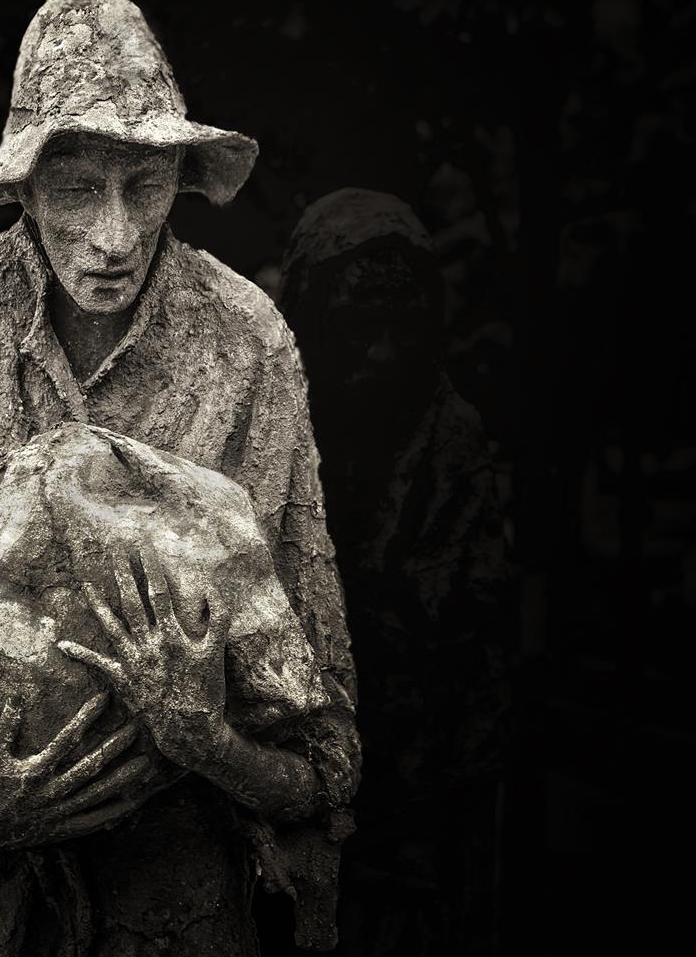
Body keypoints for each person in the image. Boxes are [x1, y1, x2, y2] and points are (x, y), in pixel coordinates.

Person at [0, 0, 360, 957]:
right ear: (22, 188)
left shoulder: (245, 347)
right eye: (76, 188)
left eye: (143, 187)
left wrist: (210, 744)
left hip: (179, 913)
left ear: (180, 180)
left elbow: (325, 758)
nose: (114, 234)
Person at [278, 189, 511, 956]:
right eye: (356, 328)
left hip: (425, 781)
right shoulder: (271, 423)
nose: (380, 354)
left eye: (399, 327)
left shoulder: (452, 441)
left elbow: (466, 631)